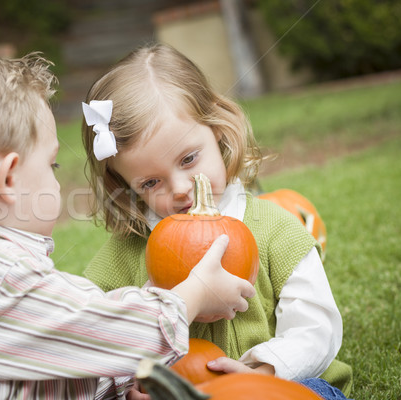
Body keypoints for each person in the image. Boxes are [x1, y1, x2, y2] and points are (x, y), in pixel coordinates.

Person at [0, 49, 256, 400]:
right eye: (51, 164)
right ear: (8, 178)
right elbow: (110, 335)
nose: (57, 179)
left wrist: (124, 387)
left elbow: (62, 356)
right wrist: (193, 294)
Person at [81, 43, 353, 399]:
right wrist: (133, 381)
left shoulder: (275, 228)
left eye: (189, 159)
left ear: (219, 130)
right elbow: (88, 329)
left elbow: (317, 326)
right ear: (127, 187)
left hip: (279, 385)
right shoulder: (126, 251)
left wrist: (264, 369)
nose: (180, 188)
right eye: (150, 182)